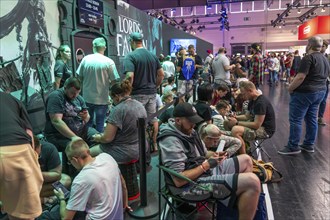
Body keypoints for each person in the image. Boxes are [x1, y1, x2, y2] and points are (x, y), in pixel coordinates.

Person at [158, 102, 260, 220]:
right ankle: (237, 203)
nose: (193, 124)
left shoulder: (190, 131)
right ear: (178, 120)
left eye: (194, 120)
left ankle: (231, 211)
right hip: (190, 186)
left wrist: (216, 155)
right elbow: (179, 181)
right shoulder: (170, 140)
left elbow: (205, 153)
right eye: (190, 121)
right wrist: (205, 166)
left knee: (247, 160)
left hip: (204, 172)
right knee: (253, 182)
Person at [278, 36, 330, 155]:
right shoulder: (325, 59)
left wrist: (290, 88)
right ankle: (308, 144)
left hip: (305, 93)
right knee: (312, 119)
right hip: (320, 92)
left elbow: (301, 77)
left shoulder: (308, 58)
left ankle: (293, 146)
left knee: (296, 119)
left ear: (309, 45)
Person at [54, 139, 124, 220]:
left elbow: (66, 218)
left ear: (75, 159)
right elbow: (123, 185)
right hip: (117, 217)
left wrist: (61, 198)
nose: (71, 164)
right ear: (88, 152)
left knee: (48, 216)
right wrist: (124, 207)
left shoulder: (81, 179)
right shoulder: (107, 157)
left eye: (70, 161)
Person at [0, 92, 43, 220]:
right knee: (21, 215)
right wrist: (33, 161)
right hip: (16, 150)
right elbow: (29, 133)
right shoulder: (10, 99)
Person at [44, 77, 98, 173]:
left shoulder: (79, 98)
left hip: (80, 130)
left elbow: (87, 117)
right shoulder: (56, 97)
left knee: (98, 138)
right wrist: (74, 137)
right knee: (76, 148)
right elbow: (56, 121)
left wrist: (86, 116)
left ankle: (91, 168)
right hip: (59, 135)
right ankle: (76, 174)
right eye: (72, 93)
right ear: (65, 88)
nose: (75, 95)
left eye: (77, 93)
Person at [124, 32, 164, 151]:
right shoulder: (152, 56)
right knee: (153, 119)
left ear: (131, 41)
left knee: (138, 121)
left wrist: (126, 92)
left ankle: (141, 147)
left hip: (137, 94)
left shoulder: (131, 56)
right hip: (152, 93)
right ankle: (154, 144)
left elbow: (129, 76)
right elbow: (161, 74)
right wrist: (155, 86)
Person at [90, 80, 147, 164]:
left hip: (122, 152)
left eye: (112, 98)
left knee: (86, 154)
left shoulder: (118, 110)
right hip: (140, 148)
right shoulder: (140, 105)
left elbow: (107, 138)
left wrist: (98, 138)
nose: (112, 101)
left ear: (116, 96)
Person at [77, 37, 120, 132]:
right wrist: (110, 94)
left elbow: (79, 78)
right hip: (102, 99)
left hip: (87, 98)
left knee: (88, 122)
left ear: (93, 47)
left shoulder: (85, 59)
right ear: (104, 48)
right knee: (100, 123)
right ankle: (98, 143)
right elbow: (114, 81)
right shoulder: (109, 62)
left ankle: (88, 142)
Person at [230, 81, 276, 154]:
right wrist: (235, 117)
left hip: (265, 130)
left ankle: (244, 157)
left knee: (235, 130)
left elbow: (256, 125)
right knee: (228, 123)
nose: (243, 96)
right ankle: (240, 148)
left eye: (244, 94)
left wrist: (237, 122)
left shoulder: (260, 103)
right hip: (257, 125)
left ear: (250, 91)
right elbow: (246, 116)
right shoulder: (252, 100)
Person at [318, 39, 329, 126]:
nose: (321, 47)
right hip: (315, 83)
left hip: (325, 82)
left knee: (323, 101)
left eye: (323, 46)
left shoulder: (327, 58)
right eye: (320, 45)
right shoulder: (313, 57)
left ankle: (320, 117)